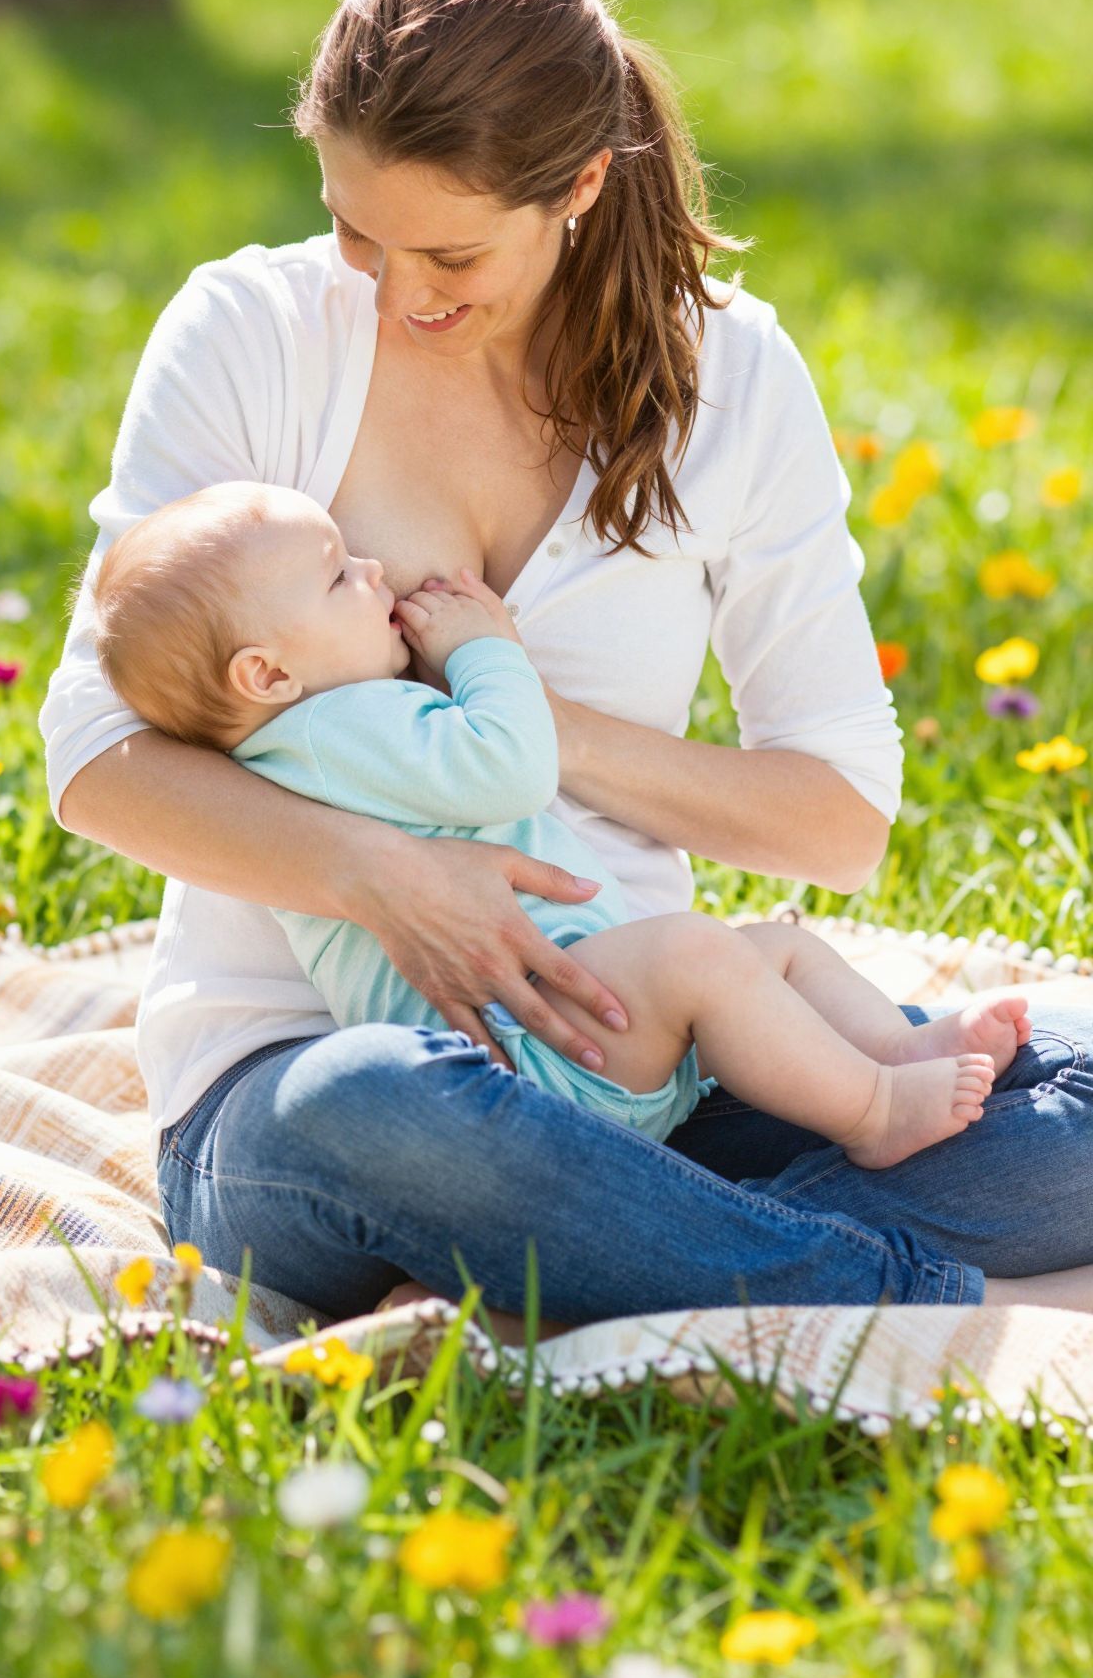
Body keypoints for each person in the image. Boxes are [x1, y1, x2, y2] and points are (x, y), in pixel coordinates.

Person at [40, 0, 1093, 1329]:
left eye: (450, 251)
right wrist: (385, 878)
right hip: (311, 1082)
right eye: (356, 229)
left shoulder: (730, 375)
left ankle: (583, 1244)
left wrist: (530, 722)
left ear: (583, 183)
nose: (394, 291)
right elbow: (95, 753)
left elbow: (839, 821)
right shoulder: (252, 332)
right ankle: (893, 1294)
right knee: (393, 1110)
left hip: (641, 1051)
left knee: (1074, 1109)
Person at [91, 479, 1022, 1171]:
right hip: (538, 1053)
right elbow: (511, 765)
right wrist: (484, 649)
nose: (371, 570)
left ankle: (897, 1051)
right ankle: (873, 1114)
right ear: (266, 675)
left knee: (769, 952)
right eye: (339, 577)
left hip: (573, 1026)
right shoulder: (334, 730)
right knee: (705, 954)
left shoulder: (321, 736)